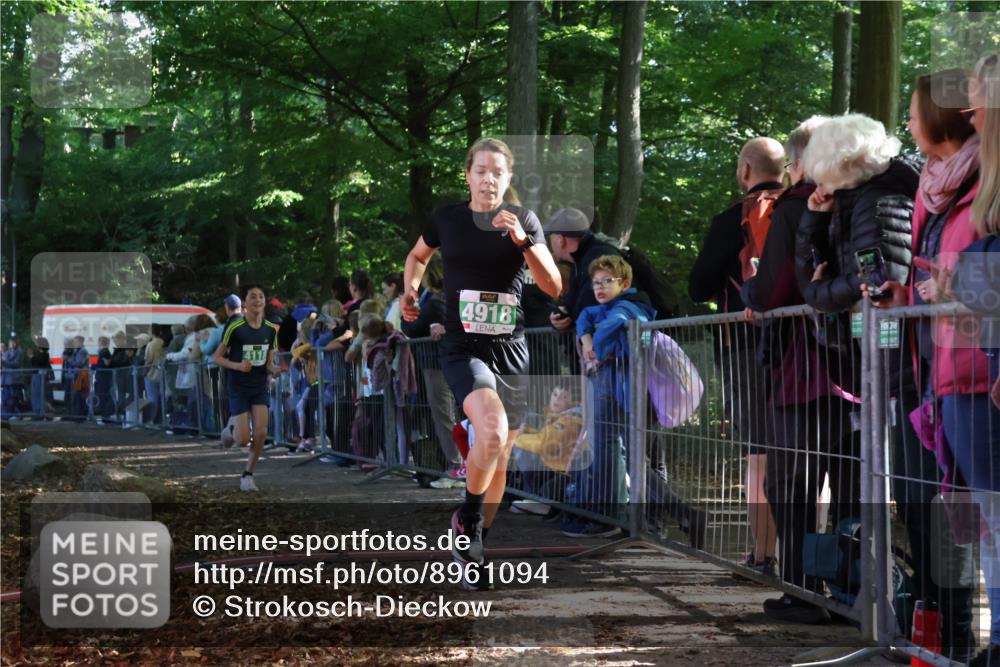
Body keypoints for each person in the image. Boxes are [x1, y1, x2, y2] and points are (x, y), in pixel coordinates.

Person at [402, 137, 561, 590]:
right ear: (468, 174)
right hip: (462, 348)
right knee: (488, 430)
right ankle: (466, 519)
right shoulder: (448, 219)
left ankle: (473, 544)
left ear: (508, 179)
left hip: (510, 351)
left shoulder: (523, 222)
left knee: (499, 456)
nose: (489, 179)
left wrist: (524, 242)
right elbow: (418, 255)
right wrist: (410, 290)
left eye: (498, 172)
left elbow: (553, 286)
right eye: (481, 170)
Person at [788, 113, 918, 623]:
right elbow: (821, 271)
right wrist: (815, 221)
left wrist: (819, 293)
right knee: (890, 483)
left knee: (907, 488)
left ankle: (920, 617)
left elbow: (875, 280)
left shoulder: (879, 202)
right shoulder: (851, 201)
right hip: (873, 360)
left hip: (896, 361)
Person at [689, 137, 783, 581]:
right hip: (807, 346)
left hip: (744, 346)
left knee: (758, 453)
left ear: (746, 170)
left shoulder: (733, 219)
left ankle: (762, 555)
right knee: (810, 450)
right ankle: (812, 554)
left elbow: (699, 285)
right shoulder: (806, 207)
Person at [741, 119, 828, 583]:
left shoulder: (790, 209)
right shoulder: (856, 199)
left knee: (789, 478)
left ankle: (803, 584)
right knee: (838, 478)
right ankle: (839, 585)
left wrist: (752, 292)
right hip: (852, 369)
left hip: (801, 363)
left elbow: (771, 287)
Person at [400, 254, 464, 487]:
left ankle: (457, 466)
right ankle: (459, 465)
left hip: (437, 365)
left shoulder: (436, 301)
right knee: (448, 415)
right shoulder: (451, 297)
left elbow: (410, 327)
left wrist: (409, 312)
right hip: (445, 363)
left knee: (444, 415)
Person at [212, 284, 281, 491]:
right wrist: (238, 365)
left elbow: (269, 362)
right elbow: (217, 358)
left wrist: (274, 369)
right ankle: (230, 428)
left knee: (260, 433)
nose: (258, 300)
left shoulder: (270, 329)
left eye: (261, 296)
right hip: (239, 386)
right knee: (242, 440)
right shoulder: (235, 327)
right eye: (253, 297)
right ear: (245, 303)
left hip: (259, 386)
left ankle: (247, 475)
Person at [546, 208, 622, 329]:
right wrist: (559, 318)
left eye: (551, 238)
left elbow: (590, 305)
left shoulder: (596, 258)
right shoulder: (580, 260)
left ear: (561, 240)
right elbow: (572, 305)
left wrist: (570, 317)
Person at [29, 337, 52, 419]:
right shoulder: (39, 354)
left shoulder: (45, 354)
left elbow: (39, 363)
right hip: (36, 375)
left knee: (39, 394)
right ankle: (37, 412)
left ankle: (40, 413)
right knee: (35, 394)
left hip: (40, 376)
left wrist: (32, 357)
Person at [1, 339, 25, 417]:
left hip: (14, 379)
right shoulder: (6, 353)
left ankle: (17, 414)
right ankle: (6, 414)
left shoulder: (19, 352)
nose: (12, 344)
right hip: (5, 379)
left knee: (14, 398)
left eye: (14, 342)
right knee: (6, 398)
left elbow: (16, 364)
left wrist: (4, 362)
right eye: (11, 343)